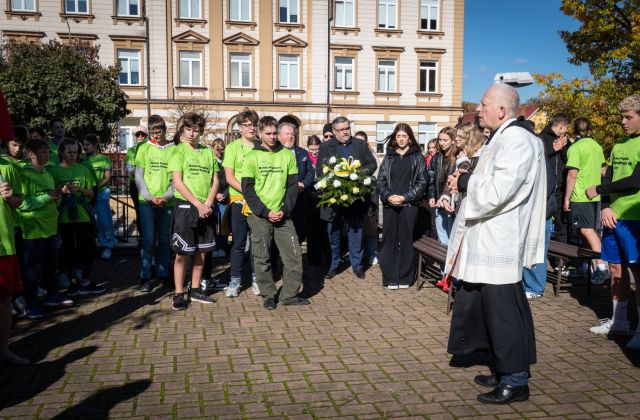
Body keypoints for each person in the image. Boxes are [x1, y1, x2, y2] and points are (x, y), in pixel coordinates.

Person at [446, 83, 545, 404]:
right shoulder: (501, 136)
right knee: (490, 311)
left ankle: (515, 381)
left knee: (504, 313)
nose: (478, 109)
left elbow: (500, 189)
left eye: (484, 104)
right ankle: (504, 369)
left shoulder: (517, 140)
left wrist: (463, 180)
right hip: (486, 239)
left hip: (499, 242)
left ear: (501, 110)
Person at [585, 94, 640, 350]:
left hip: (634, 220)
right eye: (621, 117)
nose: (623, 122)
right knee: (616, 271)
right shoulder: (618, 144)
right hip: (612, 218)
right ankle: (619, 322)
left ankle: (639, 327)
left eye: (628, 117)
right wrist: (605, 206)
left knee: (637, 274)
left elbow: (635, 181)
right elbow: (611, 180)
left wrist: (597, 188)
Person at [241, 116, 308, 310]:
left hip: (283, 216)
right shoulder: (251, 157)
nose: (272, 137)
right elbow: (248, 189)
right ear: (260, 133)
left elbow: (292, 186)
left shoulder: (287, 155)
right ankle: (268, 294)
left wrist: (284, 209)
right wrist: (265, 211)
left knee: (294, 256)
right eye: (268, 133)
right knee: (262, 258)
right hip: (260, 216)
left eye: (274, 133)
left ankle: (288, 295)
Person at [168, 112, 219, 310]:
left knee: (202, 251)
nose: (191, 134)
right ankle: (179, 293)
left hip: (206, 207)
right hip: (186, 207)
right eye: (188, 129)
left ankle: (196, 289)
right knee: (182, 253)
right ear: (183, 130)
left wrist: (207, 203)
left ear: (201, 132)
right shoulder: (178, 152)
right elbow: (177, 182)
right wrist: (198, 205)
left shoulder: (208, 152)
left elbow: (215, 180)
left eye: (195, 130)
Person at [316, 116, 377, 279]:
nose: (346, 132)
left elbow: (372, 164)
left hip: (355, 198)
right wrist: (336, 180)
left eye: (347, 128)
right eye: (342, 130)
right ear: (334, 131)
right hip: (334, 199)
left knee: (356, 233)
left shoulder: (360, 145)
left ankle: (357, 266)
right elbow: (320, 171)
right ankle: (333, 265)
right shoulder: (325, 146)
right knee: (333, 234)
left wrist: (357, 175)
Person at [18, 138, 74, 317]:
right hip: (33, 229)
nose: (47, 155)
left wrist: (57, 196)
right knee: (33, 269)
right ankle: (31, 302)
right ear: (30, 154)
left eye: (48, 152)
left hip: (50, 227)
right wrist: (47, 198)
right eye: (42, 152)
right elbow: (22, 204)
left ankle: (52, 295)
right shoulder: (24, 174)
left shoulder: (48, 173)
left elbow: (50, 199)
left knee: (51, 265)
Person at [50, 138, 105, 295]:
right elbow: (51, 194)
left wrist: (80, 190)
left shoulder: (83, 169)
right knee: (67, 249)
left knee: (88, 247)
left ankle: (86, 280)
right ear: (61, 152)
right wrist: (62, 191)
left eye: (75, 152)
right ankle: (71, 282)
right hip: (64, 217)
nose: (73, 155)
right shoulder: (54, 171)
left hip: (83, 215)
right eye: (69, 152)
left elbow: (92, 193)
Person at [376, 123, 427, 289]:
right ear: (394, 138)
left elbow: (422, 182)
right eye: (398, 136)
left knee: (405, 240)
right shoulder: (389, 156)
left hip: (409, 206)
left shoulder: (417, 157)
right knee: (388, 240)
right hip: (390, 205)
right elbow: (380, 181)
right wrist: (388, 196)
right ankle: (390, 277)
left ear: (410, 138)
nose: (401, 139)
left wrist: (405, 197)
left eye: (404, 136)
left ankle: (405, 277)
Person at [563, 117, 610, 285]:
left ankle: (602, 269)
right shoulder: (596, 146)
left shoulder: (576, 148)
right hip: (595, 195)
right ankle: (585, 265)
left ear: (574, 130)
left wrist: (566, 198)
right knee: (585, 232)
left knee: (587, 231)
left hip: (581, 196)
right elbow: (604, 170)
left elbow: (572, 174)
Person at [222, 108, 259, 298]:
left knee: (257, 243)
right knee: (238, 243)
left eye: (254, 125)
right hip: (238, 201)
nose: (252, 128)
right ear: (240, 127)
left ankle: (256, 278)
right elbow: (229, 177)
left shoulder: (261, 146)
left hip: (258, 203)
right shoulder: (232, 148)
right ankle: (235, 279)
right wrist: (248, 193)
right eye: (248, 125)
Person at [134, 115, 175, 292]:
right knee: (149, 240)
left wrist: (166, 196)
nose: (155, 135)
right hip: (147, 202)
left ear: (164, 129)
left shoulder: (174, 149)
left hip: (168, 201)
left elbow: (176, 177)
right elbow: (138, 176)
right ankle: (145, 277)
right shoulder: (144, 148)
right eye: (152, 132)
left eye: (158, 131)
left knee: (165, 240)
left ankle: (164, 274)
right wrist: (149, 197)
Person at [0, 155, 29, 365]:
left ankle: (3, 349)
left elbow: (20, 200)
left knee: (4, 301)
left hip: (4, 245)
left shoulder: (6, 167)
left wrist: (11, 198)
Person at [201, 138, 230, 294]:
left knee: (223, 225)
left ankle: (222, 247)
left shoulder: (225, 163)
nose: (219, 151)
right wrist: (215, 195)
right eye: (217, 149)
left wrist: (223, 194)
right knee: (214, 225)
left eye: (221, 149)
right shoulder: (211, 161)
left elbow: (228, 181)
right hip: (212, 198)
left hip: (223, 197)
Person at [81, 134, 116, 260]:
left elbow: (107, 178)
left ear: (96, 144)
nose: (85, 147)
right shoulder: (82, 159)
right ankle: (93, 244)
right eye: (84, 145)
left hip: (101, 194)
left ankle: (108, 245)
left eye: (87, 144)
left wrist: (95, 187)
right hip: (86, 194)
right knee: (89, 221)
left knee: (104, 220)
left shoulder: (105, 159)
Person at [279, 123, 314, 243]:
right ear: (279, 136)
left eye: (292, 134)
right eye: (287, 134)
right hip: (281, 200)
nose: (290, 136)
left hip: (300, 199)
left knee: (299, 230)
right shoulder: (275, 153)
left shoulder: (303, 153)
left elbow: (310, 172)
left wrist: (304, 184)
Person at [539, 113, 570, 248]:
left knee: (561, 225)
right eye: (566, 127)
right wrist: (553, 149)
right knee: (542, 224)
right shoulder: (541, 138)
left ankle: (561, 261)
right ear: (561, 126)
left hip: (561, 189)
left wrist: (563, 148)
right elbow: (538, 159)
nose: (567, 130)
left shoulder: (565, 140)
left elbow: (568, 159)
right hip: (545, 189)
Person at [428, 127, 458, 245]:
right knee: (442, 240)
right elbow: (430, 178)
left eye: (445, 140)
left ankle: (450, 263)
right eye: (440, 140)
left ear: (453, 140)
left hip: (451, 205)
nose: (441, 143)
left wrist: (449, 200)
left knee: (452, 239)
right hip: (438, 204)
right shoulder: (437, 157)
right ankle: (443, 263)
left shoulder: (458, 157)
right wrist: (431, 196)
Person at [354, 130, 380, 266]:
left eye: (362, 141)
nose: (359, 144)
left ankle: (373, 253)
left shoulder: (371, 155)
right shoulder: (353, 154)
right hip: (356, 193)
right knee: (359, 225)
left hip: (370, 192)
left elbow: (376, 171)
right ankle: (361, 253)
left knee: (371, 225)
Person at [305, 135, 330, 265]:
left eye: (316, 149)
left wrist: (319, 187)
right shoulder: (306, 159)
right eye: (311, 149)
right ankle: (313, 258)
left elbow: (329, 174)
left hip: (323, 194)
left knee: (323, 229)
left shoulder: (324, 158)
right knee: (311, 230)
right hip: (309, 196)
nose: (314, 152)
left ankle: (325, 255)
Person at [125, 125, 148, 241]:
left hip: (150, 184)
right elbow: (129, 169)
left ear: (147, 136)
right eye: (137, 134)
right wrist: (144, 172)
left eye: (143, 134)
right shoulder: (131, 150)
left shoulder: (151, 148)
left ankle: (152, 239)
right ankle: (143, 239)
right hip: (135, 184)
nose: (140, 137)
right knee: (139, 212)